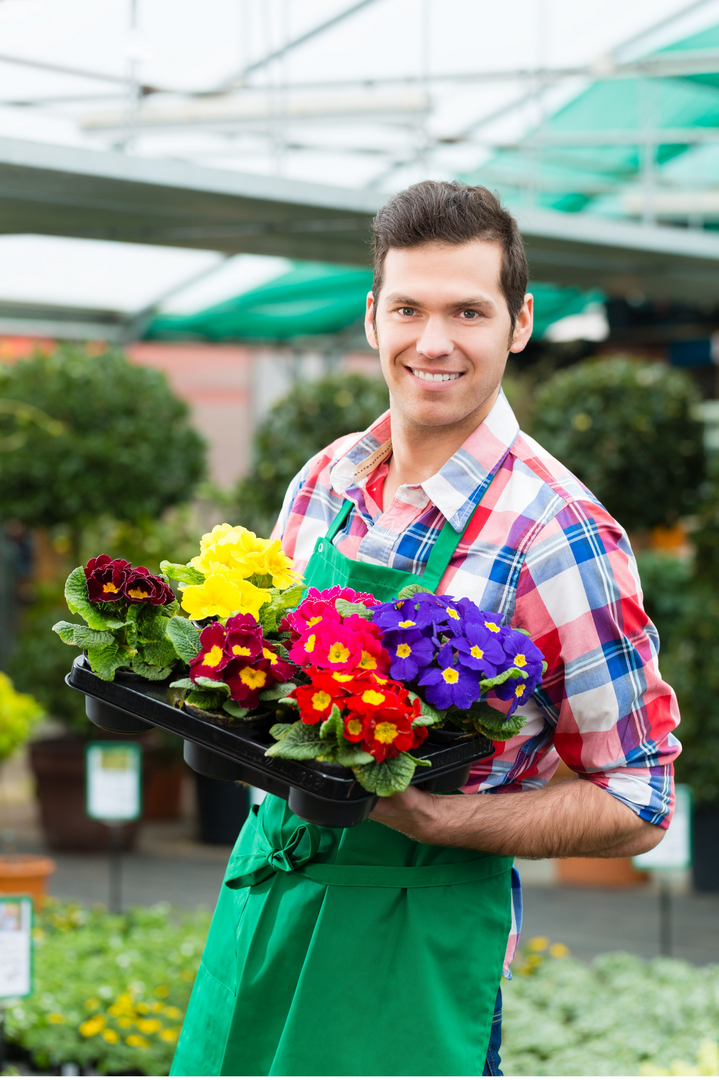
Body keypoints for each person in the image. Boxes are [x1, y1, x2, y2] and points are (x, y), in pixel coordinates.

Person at [172, 181, 680, 1078]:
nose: (433, 342)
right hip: (268, 902)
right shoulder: (327, 478)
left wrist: (435, 816)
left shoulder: (556, 533)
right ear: (372, 318)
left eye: (468, 312)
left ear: (518, 324)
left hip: (416, 932)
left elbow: (637, 802)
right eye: (407, 308)